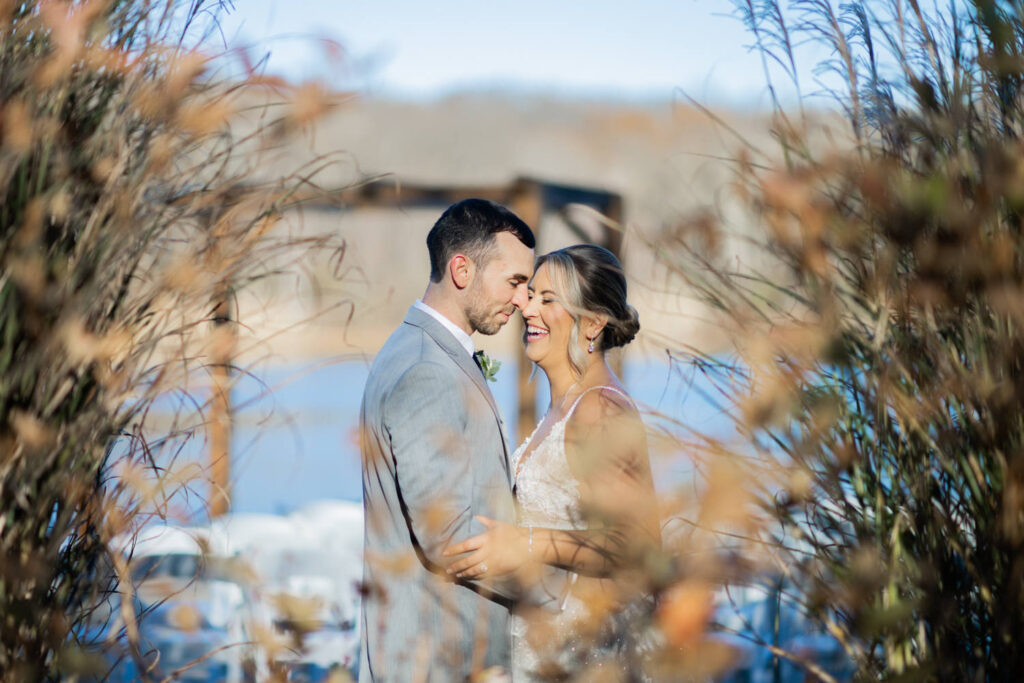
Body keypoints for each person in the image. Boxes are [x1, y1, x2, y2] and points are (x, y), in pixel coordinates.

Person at [442, 244, 661, 680]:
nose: (528, 309)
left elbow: (635, 545)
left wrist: (523, 543)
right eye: (530, 295)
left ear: (594, 322)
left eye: (548, 300)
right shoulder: (564, 406)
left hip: (584, 652)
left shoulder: (601, 409)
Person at [359, 198, 535, 682]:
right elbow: (451, 539)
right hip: (438, 656)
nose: (523, 301)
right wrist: (561, 584)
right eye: (515, 282)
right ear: (462, 269)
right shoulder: (425, 371)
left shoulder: (426, 353)